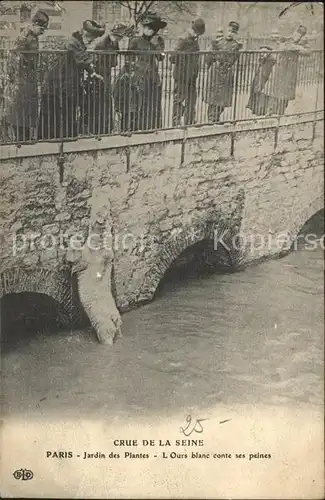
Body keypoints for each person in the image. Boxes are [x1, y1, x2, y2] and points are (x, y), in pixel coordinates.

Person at [38, 20, 104, 140]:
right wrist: (92, 67)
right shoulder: (72, 42)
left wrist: (92, 73)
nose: (91, 41)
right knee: (55, 114)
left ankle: (67, 138)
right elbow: (82, 59)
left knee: (67, 112)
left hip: (65, 82)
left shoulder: (78, 42)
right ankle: (52, 140)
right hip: (57, 82)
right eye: (90, 38)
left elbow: (82, 59)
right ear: (84, 33)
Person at [5, 10, 49, 142]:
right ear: (35, 24)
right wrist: (17, 72)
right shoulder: (25, 36)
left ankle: (25, 138)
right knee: (20, 111)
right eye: (41, 28)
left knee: (28, 111)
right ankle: (20, 140)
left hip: (29, 79)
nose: (43, 31)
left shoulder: (33, 36)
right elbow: (13, 55)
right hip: (22, 80)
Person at [82, 21, 132, 135]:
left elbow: (114, 60)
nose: (118, 39)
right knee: (97, 103)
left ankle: (106, 129)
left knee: (106, 101)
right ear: (112, 33)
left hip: (107, 74)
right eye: (117, 36)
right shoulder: (101, 43)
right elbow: (92, 59)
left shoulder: (114, 43)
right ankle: (94, 130)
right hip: (98, 75)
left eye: (119, 37)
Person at [126, 11, 167, 131]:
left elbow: (161, 58)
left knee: (153, 103)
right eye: (147, 27)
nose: (149, 31)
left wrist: (156, 46)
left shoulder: (158, 41)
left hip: (153, 76)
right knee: (140, 104)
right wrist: (133, 71)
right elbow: (128, 59)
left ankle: (152, 128)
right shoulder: (135, 41)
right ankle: (138, 129)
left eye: (152, 29)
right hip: (139, 76)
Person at [259, 25, 310, 116]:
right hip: (280, 69)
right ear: (294, 32)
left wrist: (296, 48)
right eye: (297, 33)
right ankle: (269, 112)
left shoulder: (300, 44)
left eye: (300, 35)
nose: (297, 36)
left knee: (286, 94)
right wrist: (288, 46)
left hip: (290, 72)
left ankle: (280, 113)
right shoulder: (287, 40)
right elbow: (281, 48)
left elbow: (308, 52)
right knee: (273, 92)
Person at [170, 18, 205, 127]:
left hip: (192, 76)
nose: (196, 35)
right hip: (181, 76)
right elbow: (172, 57)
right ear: (192, 29)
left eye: (198, 33)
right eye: (196, 32)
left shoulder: (195, 41)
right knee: (179, 99)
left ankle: (189, 121)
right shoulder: (182, 39)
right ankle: (176, 122)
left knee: (191, 99)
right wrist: (183, 61)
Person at [204, 21, 242, 123]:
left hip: (226, 74)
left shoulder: (236, 45)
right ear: (226, 30)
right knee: (213, 100)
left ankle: (214, 119)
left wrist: (217, 51)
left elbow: (231, 60)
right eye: (229, 31)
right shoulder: (218, 42)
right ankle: (211, 121)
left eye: (233, 32)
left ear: (236, 33)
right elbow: (208, 58)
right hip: (215, 74)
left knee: (222, 102)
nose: (230, 33)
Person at [246, 46, 276, 116]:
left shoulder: (271, 59)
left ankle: (260, 110)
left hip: (265, 78)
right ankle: (256, 109)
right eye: (261, 52)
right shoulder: (262, 59)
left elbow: (267, 70)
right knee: (256, 92)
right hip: (259, 77)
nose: (262, 54)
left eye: (264, 52)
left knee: (262, 94)